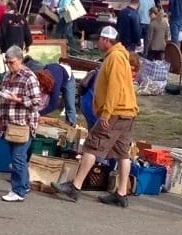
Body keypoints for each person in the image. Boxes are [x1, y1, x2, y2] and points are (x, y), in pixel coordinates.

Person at [54, 25, 138, 207]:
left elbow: (115, 88)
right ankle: (121, 193)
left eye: (100, 39)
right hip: (126, 112)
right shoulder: (120, 56)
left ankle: (75, 187)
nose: (98, 42)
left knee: (92, 146)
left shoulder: (115, 58)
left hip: (115, 113)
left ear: (107, 40)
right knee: (123, 153)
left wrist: (106, 114)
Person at [0, 46, 42, 202]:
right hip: (10, 124)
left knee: (18, 158)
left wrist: (18, 100)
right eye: (7, 62)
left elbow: (37, 103)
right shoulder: (7, 76)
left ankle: (18, 190)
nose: (9, 65)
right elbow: (3, 102)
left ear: (20, 60)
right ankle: (25, 184)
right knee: (18, 157)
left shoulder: (29, 77)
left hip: (24, 124)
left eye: (12, 62)